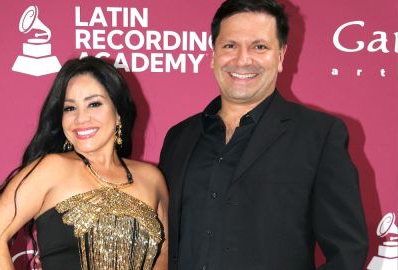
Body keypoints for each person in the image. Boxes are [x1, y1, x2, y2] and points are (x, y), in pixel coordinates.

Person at [158, 0, 368, 269]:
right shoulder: (178, 138)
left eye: (259, 47)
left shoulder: (319, 136)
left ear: (280, 56)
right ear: (213, 55)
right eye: (230, 46)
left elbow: (347, 251)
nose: (243, 60)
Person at [0, 56, 169, 270]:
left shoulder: (152, 179)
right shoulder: (51, 169)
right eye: (69, 108)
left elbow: (164, 256)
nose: (80, 118)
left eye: (93, 104)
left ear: (118, 114)